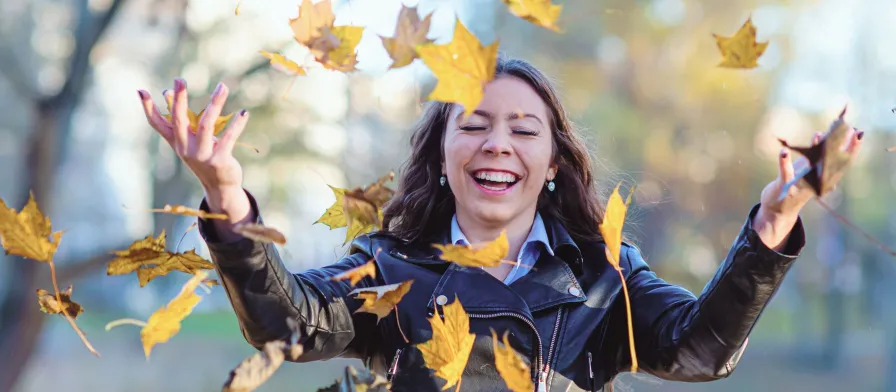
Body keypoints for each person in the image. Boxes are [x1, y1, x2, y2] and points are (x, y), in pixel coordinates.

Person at [137, 56, 863, 392]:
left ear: (551, 162)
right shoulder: (388, 269)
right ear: (444, 152)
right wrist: (227, 197)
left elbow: (701, 352)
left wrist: (770, 227)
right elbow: (282, 325)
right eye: (476, 126)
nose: (498, 144)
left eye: (524, 130)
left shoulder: (604, 279)